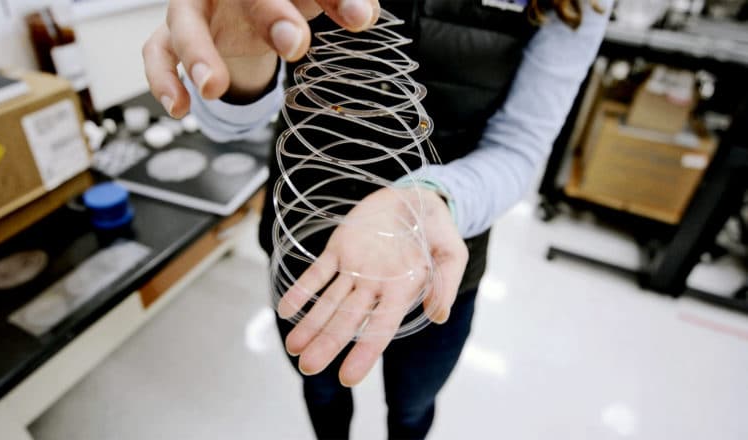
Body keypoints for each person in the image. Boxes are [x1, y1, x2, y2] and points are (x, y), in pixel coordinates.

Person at [142, 0, 611, 438]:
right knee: (322, 388)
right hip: (307, 245)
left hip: (440, 256)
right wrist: (236, 62)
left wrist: (434, 197)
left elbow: (519, 146)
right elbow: (233, 121)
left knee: (411, 405)